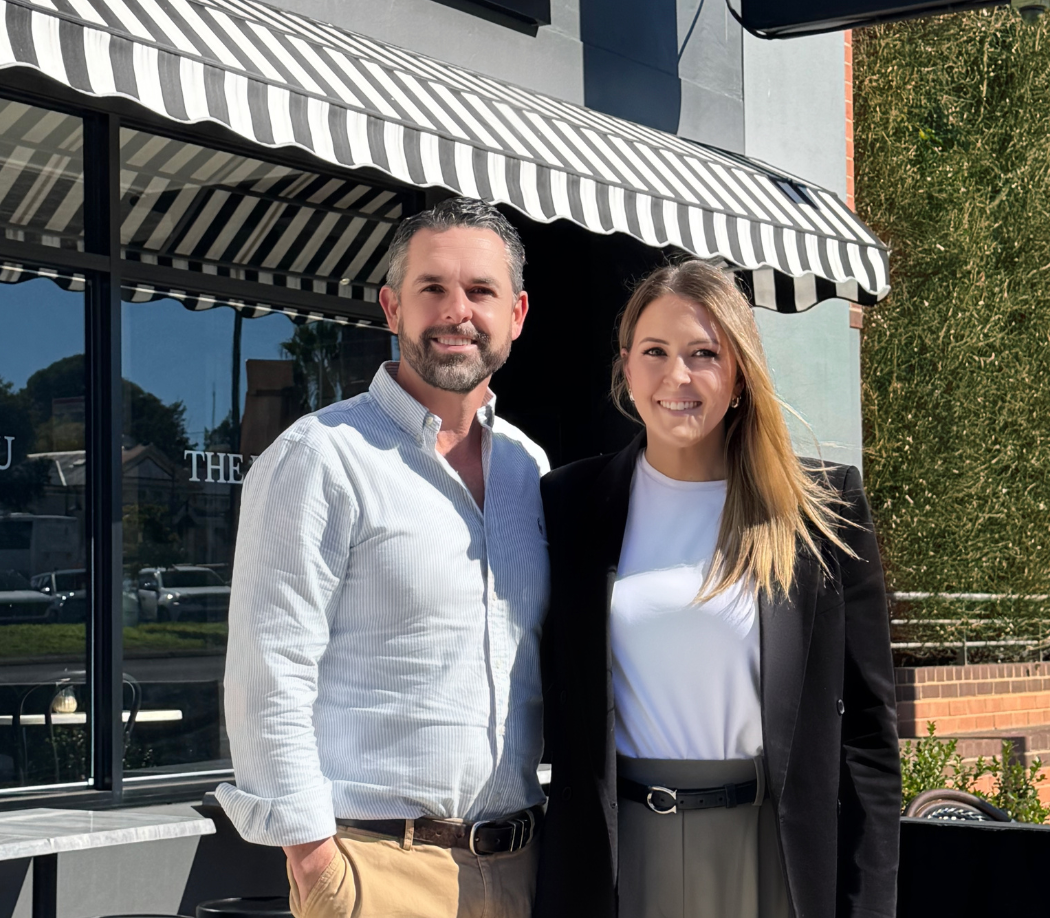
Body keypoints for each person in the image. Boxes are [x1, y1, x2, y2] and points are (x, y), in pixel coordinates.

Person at [217, 197, 550, 918]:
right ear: (392, 306)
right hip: (378, 870)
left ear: (516, 314)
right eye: (433, 288)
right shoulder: (321, 457)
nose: (457, 311)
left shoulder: (529, 467)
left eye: (481, 290)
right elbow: (268, 672)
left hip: (524, 868)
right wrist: (315, 863)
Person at [536, 260, 900, 918]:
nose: (677, 375)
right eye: (655, 351)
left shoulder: (821, 509)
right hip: (622, 862)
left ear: (739, 373)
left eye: (703, 353)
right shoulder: (570, 503)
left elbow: (869, 739)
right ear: (626, 368)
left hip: (770, 859)